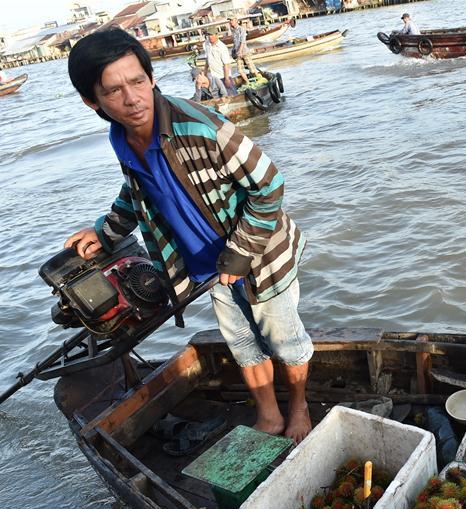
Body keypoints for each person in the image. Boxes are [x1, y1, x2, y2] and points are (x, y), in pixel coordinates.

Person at [63, 29, 314, 442]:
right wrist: (105, 233)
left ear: (152, 78)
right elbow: (139, 191)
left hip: (261, 255)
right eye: (114, 91)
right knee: (242, 344)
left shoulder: (201, 126)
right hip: (208, 268)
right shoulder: (122, 138)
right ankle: (269, 415)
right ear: (92, 101)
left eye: (138, 82)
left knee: (286, 341)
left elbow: (269, 184)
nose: (132, 99)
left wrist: (240, 252)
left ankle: (300, 406)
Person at [229, 17, 261, 85]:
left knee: (252, 69)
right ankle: (248, 82)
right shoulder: (233, 31)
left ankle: (259, 80)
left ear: (236, 21)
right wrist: (233, 51)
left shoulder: (241, 29)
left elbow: (243, 41)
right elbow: (235, 42)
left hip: (244, 52)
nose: (230, 22)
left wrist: (240, 51)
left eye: (232, 20)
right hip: (238, 54)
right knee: (240, 71)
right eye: (230, 21)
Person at [203, 27, 233, 97]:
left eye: (211, 35)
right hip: (214, 77)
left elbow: (226, 64)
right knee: (218, 97)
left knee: (231, 95)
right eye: (208, 35)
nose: (210, 37)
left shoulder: (222, 47)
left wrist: (227, 79)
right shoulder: (207, 44)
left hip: (223, 76)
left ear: (216, 35)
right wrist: (205, 73)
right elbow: (207, 59)